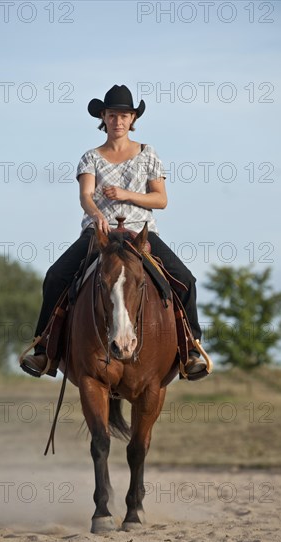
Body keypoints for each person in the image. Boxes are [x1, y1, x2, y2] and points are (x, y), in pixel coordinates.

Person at [21, 84, 210, 380]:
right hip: (100, 236)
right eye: (112, 115)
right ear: (103, 118)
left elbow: (160, 199)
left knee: (185, 280)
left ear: (133, 119)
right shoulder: (90, 157)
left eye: (124, 115)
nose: (118, 121)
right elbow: (86, 195)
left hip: (140, 236)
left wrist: (125, 194)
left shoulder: (149, 154)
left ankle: (190, 351)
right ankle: (44, 349)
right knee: (55, 276)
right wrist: (96, 215)